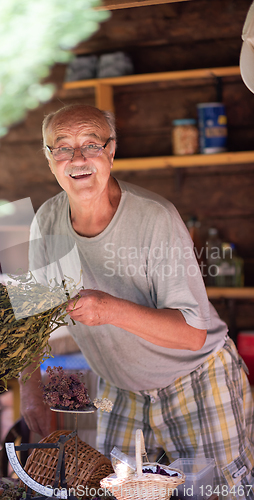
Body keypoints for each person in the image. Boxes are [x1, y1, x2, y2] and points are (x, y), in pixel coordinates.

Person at [20, 103, 254, 498]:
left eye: (91, 144)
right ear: (48, 158)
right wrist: (32, 391)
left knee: (219, 494)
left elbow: (193, 335)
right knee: (113, 493)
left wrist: (109, 308)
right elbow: (29, 320)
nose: (77, 159)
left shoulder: (155, 218)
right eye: (62, 147)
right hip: (121, 389)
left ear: (111, 151)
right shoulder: (44, 223)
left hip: (197, 379)